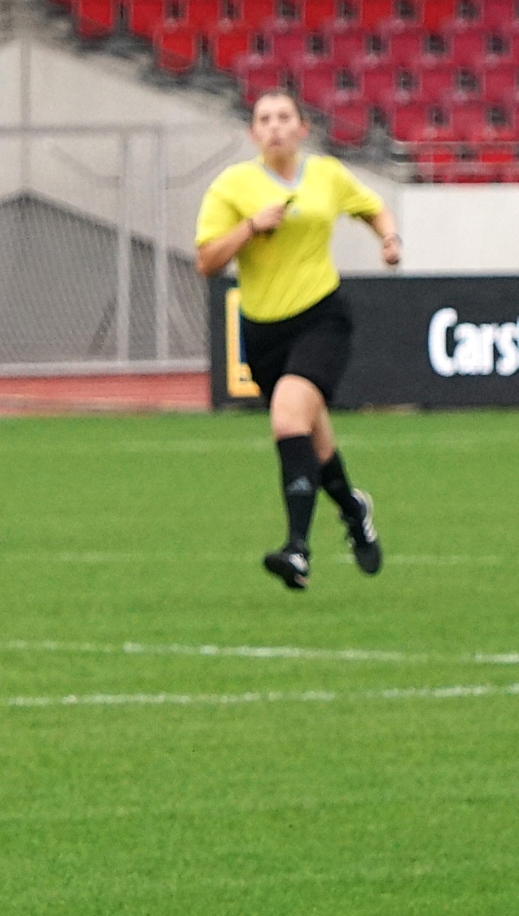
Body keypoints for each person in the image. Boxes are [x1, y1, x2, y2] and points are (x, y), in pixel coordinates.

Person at [196, 89, 398, 590]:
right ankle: (353, 509)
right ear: (253, 133)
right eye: (264, 119)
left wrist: (389, 239)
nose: (275, 126)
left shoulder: (326, 175)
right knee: (313, 438)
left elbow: (373, 207)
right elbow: (206, 261)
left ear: (303, 128)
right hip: (263, 330)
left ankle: (297, 549)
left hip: (321, 317)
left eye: (285, 117)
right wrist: (249, 226)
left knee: (288, 419)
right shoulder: (233, 186)